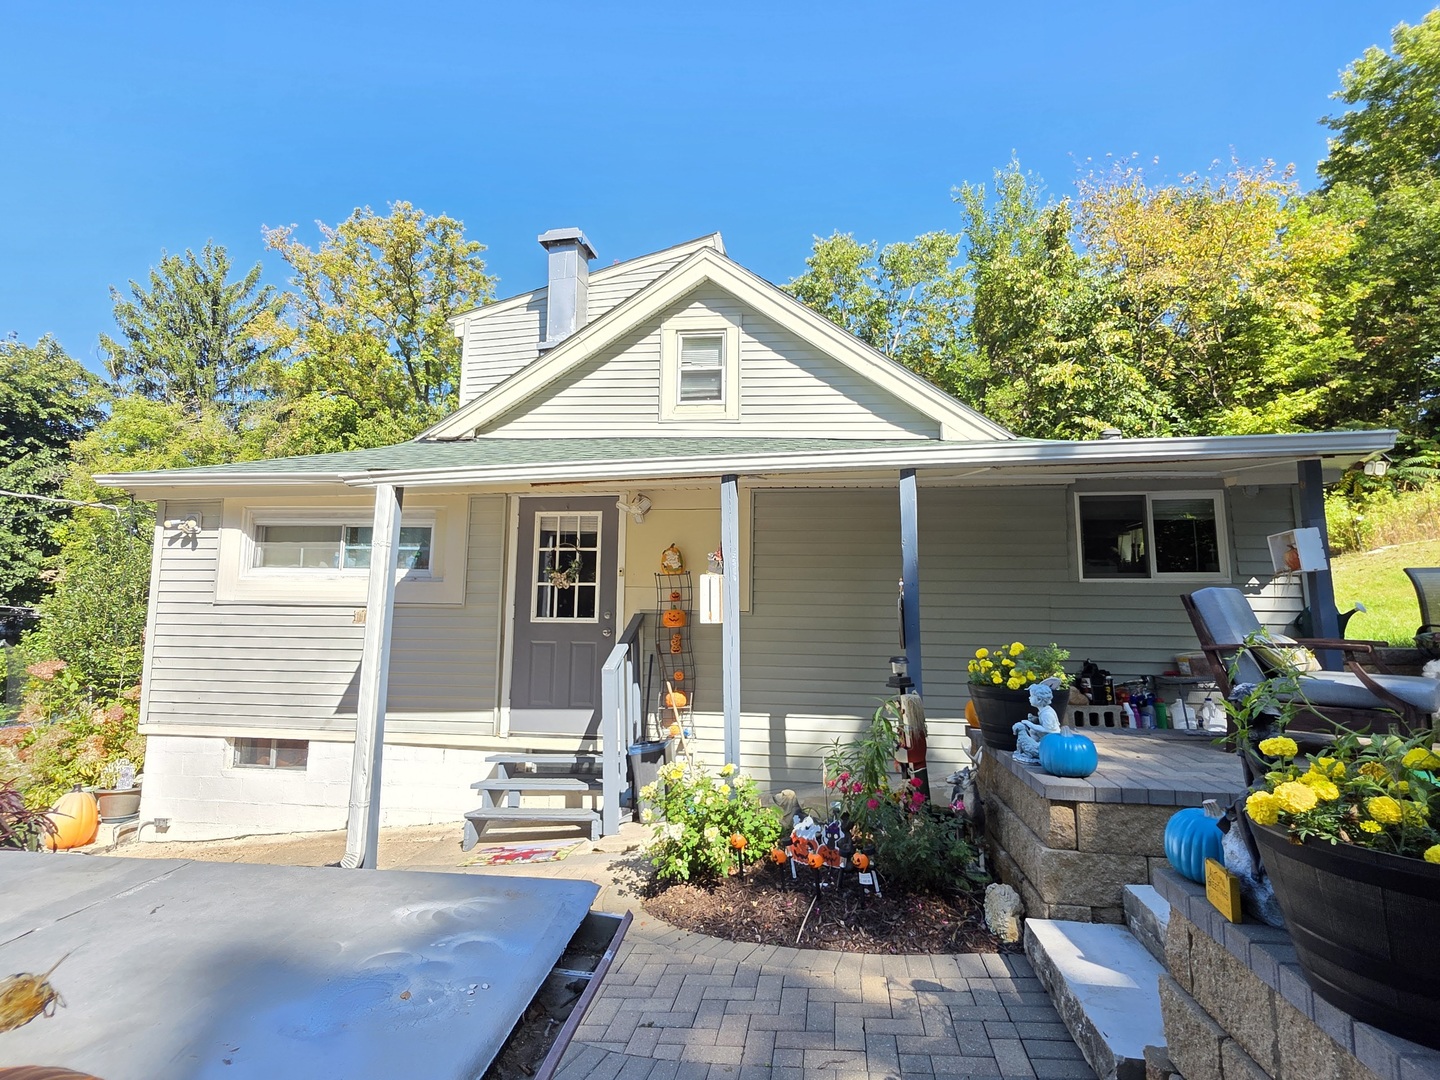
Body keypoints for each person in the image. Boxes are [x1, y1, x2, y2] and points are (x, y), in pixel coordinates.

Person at [1013, 681, 1061, 765]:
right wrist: (1035, 720)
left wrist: (1030, 724)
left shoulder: (1047, 714)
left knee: (1032, 730)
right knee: (1033, 730)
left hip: (1050, 742)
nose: (1029, 698)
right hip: (1045, 739)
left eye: (1031, 696)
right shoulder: (1043, 711)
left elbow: (1047, 729)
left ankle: (1035, 752)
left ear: (1039, 699)